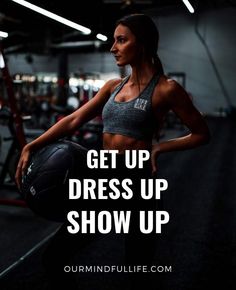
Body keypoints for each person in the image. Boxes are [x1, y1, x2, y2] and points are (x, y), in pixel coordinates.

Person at [15, 13, 210, 290]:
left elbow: (202, 133)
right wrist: (32, 145)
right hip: (103, 180)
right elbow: (72, 120)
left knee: (139, 268)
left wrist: (159, 148)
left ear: (141, 44)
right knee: (55, 257)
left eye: (121, 40)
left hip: (139, 184)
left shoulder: (166, 89)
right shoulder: (112, 87)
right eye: (114, 40)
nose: (113, 47)